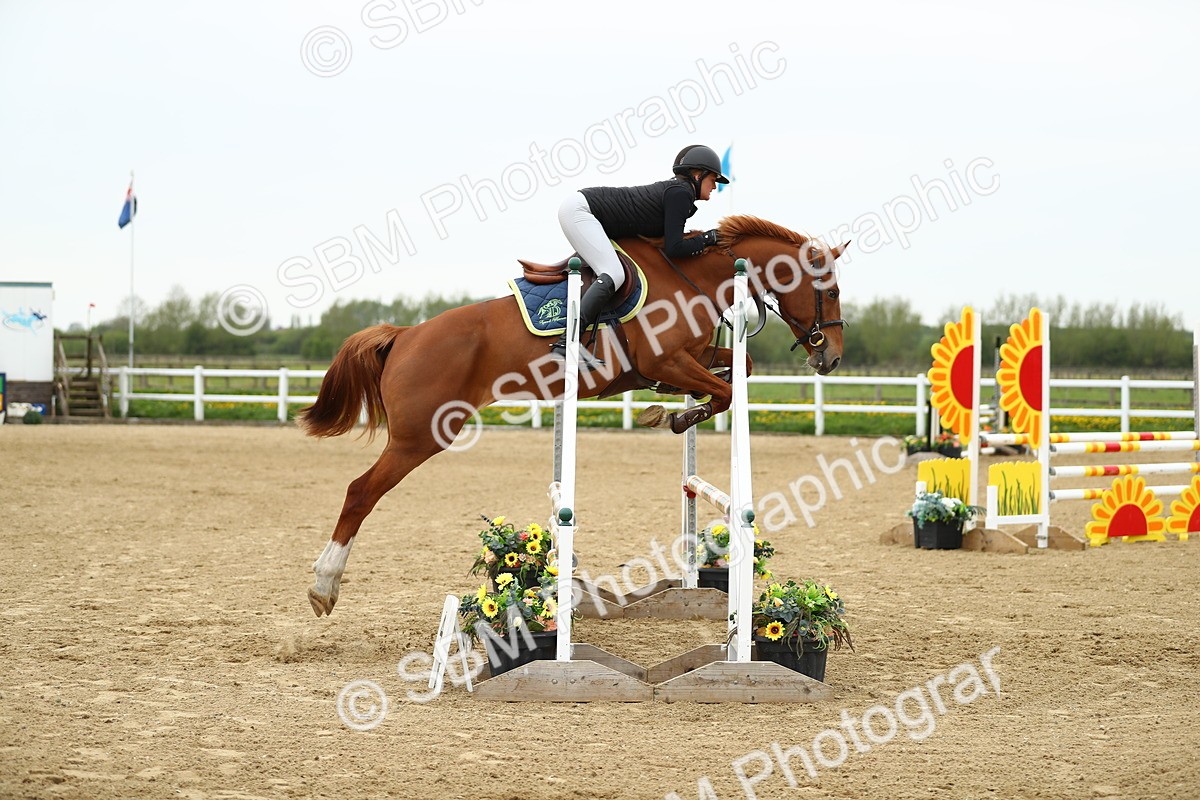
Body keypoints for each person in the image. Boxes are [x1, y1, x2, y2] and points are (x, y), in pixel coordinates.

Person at [551, 144, 730, 369]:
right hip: (581, 211)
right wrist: (708, 239)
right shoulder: (681, 193)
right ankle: (567, 344)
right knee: (614, 274)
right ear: (697, 175)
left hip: (585, 210)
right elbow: (674, 248)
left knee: (615, 272)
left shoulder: (679, 192)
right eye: (713, 179)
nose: (714, 185)